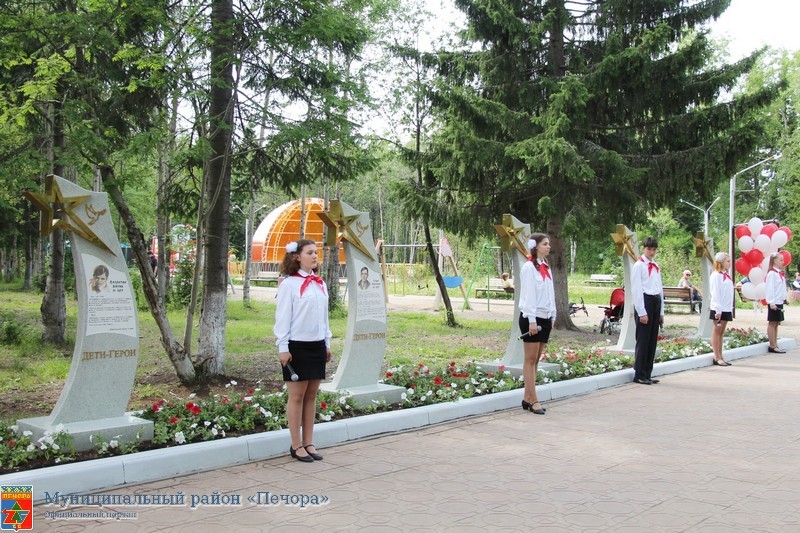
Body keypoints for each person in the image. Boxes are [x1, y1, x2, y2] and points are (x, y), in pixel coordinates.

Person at [273, 239, 333, 462]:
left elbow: (324, 318)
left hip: (317, 345)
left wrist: (327, 343)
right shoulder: (288, 284)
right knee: (297, 396)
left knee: (311, 396)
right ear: (297, 256)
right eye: (310, 252)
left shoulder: (320, 283)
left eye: (316, 252)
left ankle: (309, 442)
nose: (315, 256)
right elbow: (282, 318)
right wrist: (283, 347)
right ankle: (296, 444)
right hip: (297, 347)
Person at [518, 233, 555, 415]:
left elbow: (550, 293)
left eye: (549, 244)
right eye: (545, 244)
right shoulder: (529, 268)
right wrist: (532, 320)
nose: (548, 247)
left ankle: (527, 397)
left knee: (536, 360)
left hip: (545, 317)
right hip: (531, 318)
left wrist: (553, 314)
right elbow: (529, 295)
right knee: (530, 360)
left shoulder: (546, 267)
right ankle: (534, 400)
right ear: (536, 246)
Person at [631, 237, 664, 385]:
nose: (651, 252)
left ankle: (647, 373)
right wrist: (642, 312)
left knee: (652, 340)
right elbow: (637, 290)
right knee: (643, 340)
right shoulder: (639, 265)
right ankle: (639, 374)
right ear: (644, 248)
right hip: (645, 302)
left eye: (654, 249)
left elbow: (660, 289)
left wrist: (662, 311)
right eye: (649, 249)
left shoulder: (655, 265)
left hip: (655, 301)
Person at [708, 252, 734, 366]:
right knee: (716, 331)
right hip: (718, 307)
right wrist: (718, 310)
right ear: (721, 262)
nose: (730, 263)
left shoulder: (726, 275)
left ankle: (721, 355)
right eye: (728, 261)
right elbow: (715, 293)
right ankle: (716, 356)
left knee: (721, 332)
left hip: (726, 307)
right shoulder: (716, 275)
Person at [765, 252, 787, 354]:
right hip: (774, 302)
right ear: (774, 261)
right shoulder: (772, 274)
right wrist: (771, 302)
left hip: (779, 301)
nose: (783, 262)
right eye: (780, 260)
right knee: (772, 322)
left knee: (777, 323)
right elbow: (770, 289)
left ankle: (775, 343)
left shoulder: (779, 273)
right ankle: (772, 345)